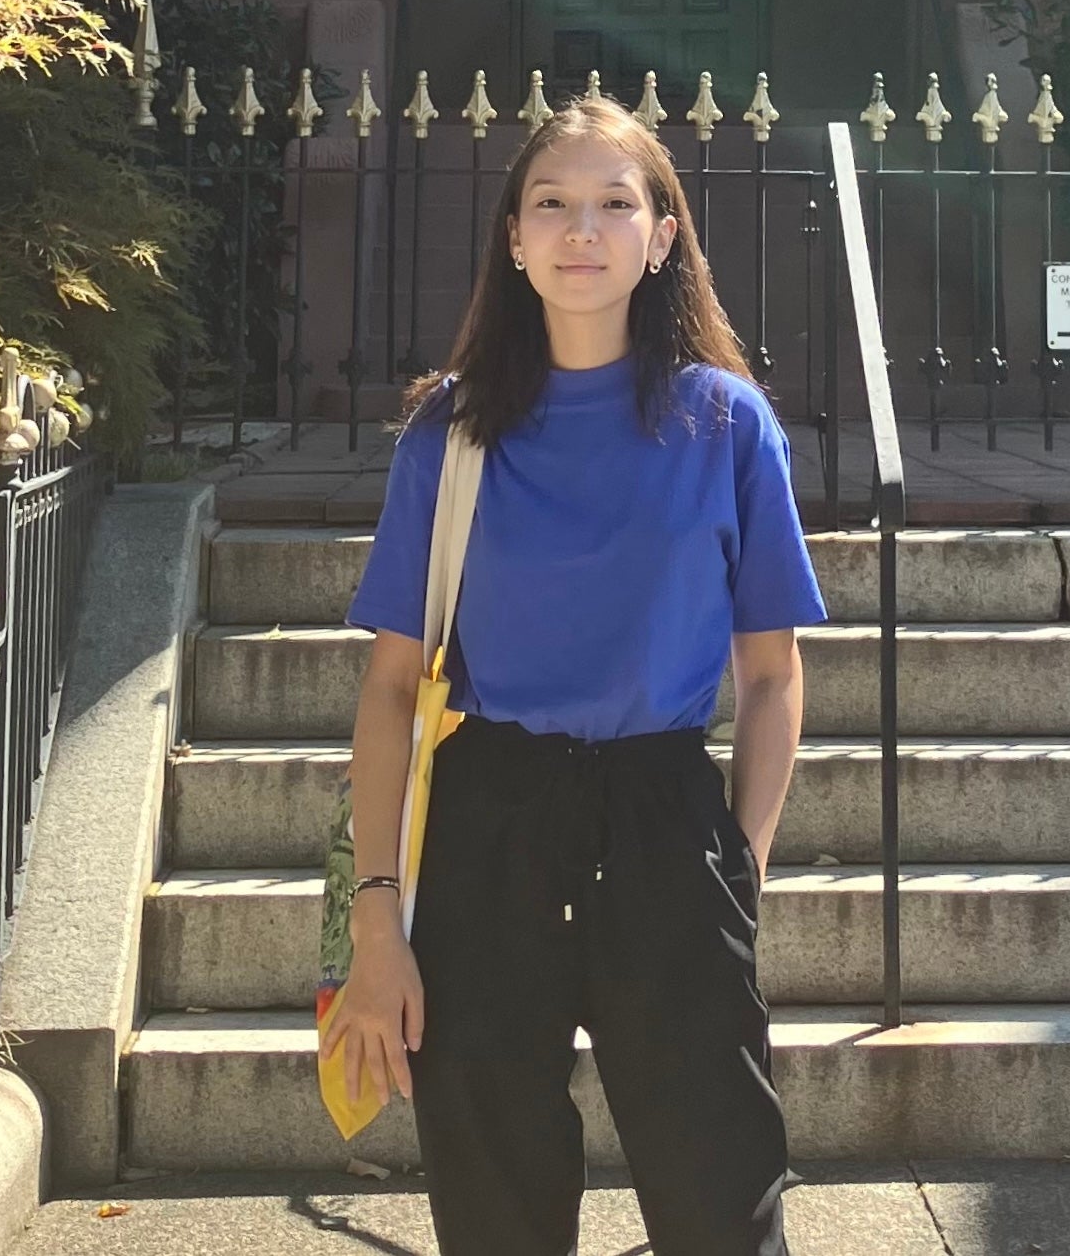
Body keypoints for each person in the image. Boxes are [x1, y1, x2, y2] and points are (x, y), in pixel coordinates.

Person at [323, 89, 827, 1256]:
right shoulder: (447, 434)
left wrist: (737, 869)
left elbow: (770, 674)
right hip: (490, 820)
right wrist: (378, 926)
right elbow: (392, 691)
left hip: (665, 813)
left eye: (615, 203)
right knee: (493, 1197)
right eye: (551, 203)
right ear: (512, 238)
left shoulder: (727, 427)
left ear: (663, 238)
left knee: (721, 1196)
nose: (581, 229)